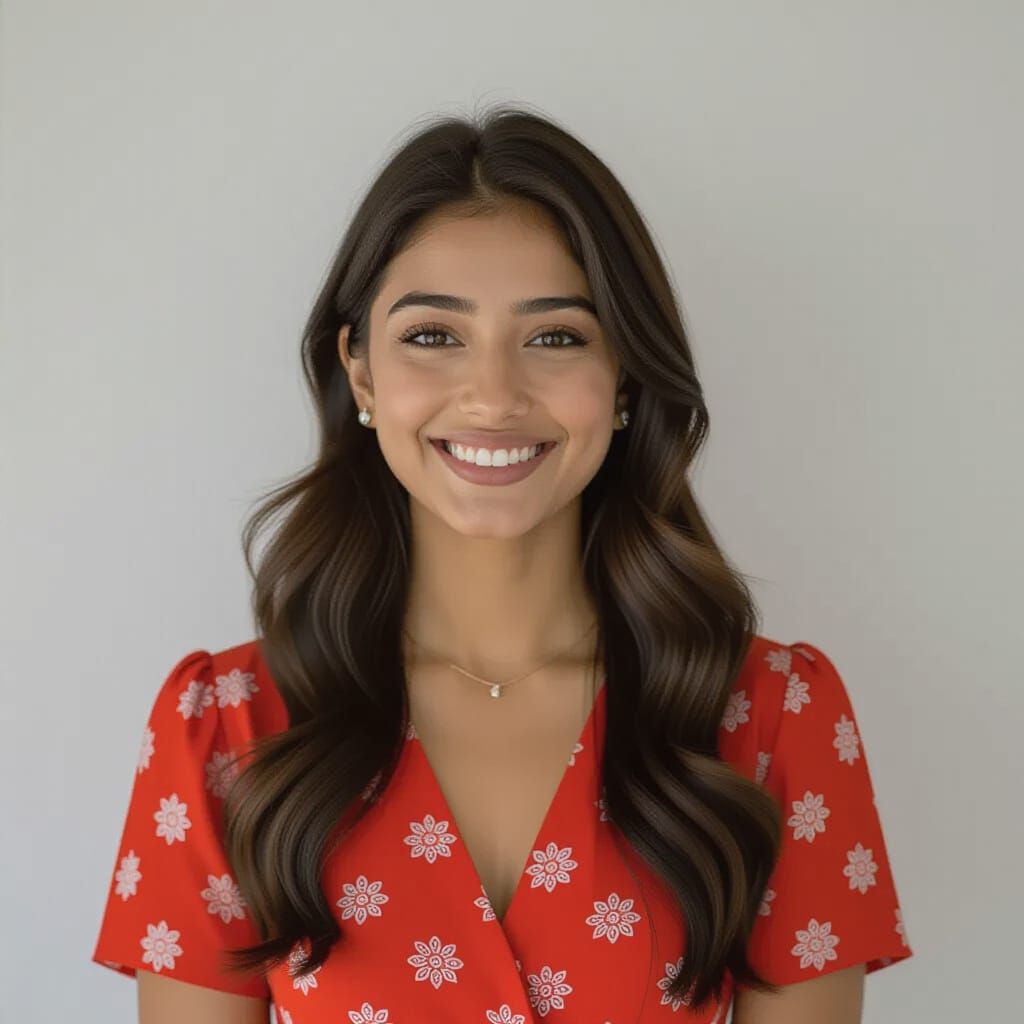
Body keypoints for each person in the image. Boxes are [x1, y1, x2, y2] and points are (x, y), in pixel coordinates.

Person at [91, 104, 913, 1023]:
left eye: (556, 337)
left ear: (625, 376)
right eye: (433, 336)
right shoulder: (227, 734)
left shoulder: (772, 720)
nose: (493, 396)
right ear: (360, 373)